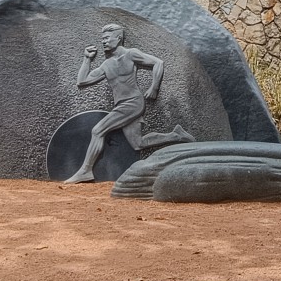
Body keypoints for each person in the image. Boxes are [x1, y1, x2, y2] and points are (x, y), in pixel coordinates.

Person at [62, 23, 193, 183]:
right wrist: (86, 59)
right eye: (102, 39)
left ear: (118, 38)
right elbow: (82, 82)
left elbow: (158, 63)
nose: (103, 41)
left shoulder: (131, 55)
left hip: (132, 103)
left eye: (107, 38)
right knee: (138, 143)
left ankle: (86, 170)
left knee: (97, 131)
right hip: (121, 105)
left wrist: (154, 87)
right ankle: (176, 135)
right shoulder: (106, 65)